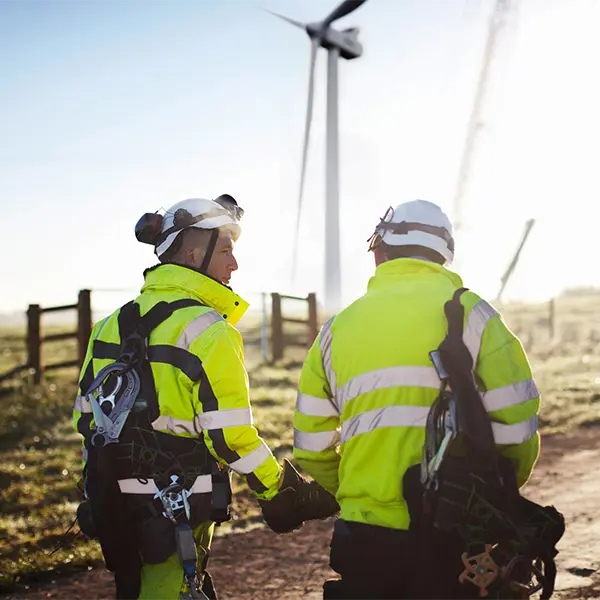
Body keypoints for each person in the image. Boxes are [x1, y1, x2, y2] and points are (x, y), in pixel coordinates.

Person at [73, 195, 338, 600]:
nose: (234, 264)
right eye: (227, 251)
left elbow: (86, 419)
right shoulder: (210, 330)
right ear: (194, 253)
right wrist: (281, 490)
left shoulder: (109, 324)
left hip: (112, 501)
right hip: (176, 506)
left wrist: (101, 486)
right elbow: (229, 436)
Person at [292, 199, 545, 599]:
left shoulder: (335, 330)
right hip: (457, 535)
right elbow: (517, 429)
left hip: (365, 534)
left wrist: (356, 490)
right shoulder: (474, 316)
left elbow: (310, 446)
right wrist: (493, 498)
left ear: (380, 252)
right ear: (444, 255)